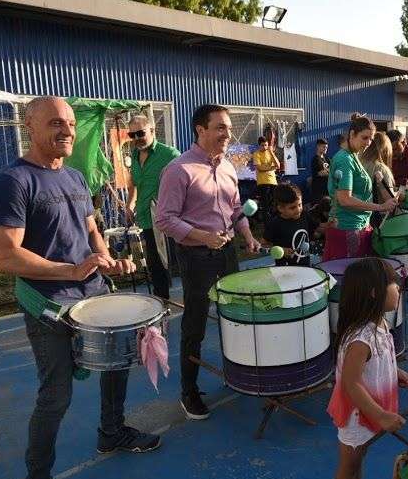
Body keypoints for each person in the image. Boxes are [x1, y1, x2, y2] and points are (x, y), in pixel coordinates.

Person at [0, 96, 160, 479]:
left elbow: (91, 231)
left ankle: (112, 430)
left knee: (117, 364)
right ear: (30, 126)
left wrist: (106, 260)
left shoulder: (77, 176)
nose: (65, 130)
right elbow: (5, 256)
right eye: (54, 123)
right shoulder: (13, 181)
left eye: (68, 123)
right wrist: (69, 270)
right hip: (48, 306)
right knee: (56, 395)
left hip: (93, 294)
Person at [155, 104, 262, 419]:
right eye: (220, 128)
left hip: (227, 252)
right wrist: (203, 236)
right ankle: (189, 392)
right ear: (200, 129)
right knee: (195, 325)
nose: (227, 134)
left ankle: (236, 371)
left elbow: (236, 209)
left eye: (228, 128)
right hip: (196, 257)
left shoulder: (229, 166)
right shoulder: (178, 170)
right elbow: (164, 219)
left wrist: (248, 236)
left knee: (233, 316)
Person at [327, 258, 408, 479]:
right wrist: (381, 414)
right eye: (393, 283)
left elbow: (377, 360)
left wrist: (394, 369)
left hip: (370, 410)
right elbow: (351, 383)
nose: (398, 288)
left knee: (359, 459)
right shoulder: (360, 338)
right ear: (375, 292)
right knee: (348, 465)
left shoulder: (379, 323)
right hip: (358, 412)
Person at [325, 115, 398, 261]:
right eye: (364, 138)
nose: (368, 143)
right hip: (348, 228)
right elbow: (345, 199)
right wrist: (380, 206)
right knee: (350, 278)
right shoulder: (345, 159)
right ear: (352, 134)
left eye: (371, 139)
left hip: (355, 225)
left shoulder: (352, 155)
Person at [125, 115, 181, 300]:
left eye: (140, 133)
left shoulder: (170, 155)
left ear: (152, 131)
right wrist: (130, 204)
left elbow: (185, 184)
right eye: (131, 134)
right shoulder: (134, 155)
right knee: (155, 264)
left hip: (169, 220)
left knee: (178, 264)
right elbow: (134, 182)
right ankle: (162, 303)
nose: (136, 138)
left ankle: (195, 302)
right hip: (147, 219)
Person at [262, 183, 329, 266]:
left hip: (306, 266)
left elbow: (318, 228)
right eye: (292, 207)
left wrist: (330, 225)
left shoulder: (304, 215)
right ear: (280, 208)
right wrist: (281, 250)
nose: (298, 210)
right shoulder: (275, 224)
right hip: (284, 269)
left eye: (300, 205)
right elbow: (263, 245)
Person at [360, 131, 397, 207]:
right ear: (386, 150)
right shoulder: (381, 168)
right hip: (377, 215)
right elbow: (390, 200)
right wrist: (400, 194)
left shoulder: (358, 162)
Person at [253, 135, 280, 219]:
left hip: (273, 182)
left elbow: (278, 165)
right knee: (266, 204)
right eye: (262, 145)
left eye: (266, 145)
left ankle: (275, 219)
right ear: (259, 145)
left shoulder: (270, 153)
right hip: (263, 182)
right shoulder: (256, 154)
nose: (264, 147)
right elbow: (260, 168)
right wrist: (271, 168)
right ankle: (267, 222)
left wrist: (272, 153)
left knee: (275, 202)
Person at [310, 138, 331, 203]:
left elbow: (332, 169)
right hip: (319, 192)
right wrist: (330, 172)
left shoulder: (327, 159)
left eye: (326, 147)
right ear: (318, 146)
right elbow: (321, 173)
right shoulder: (315, 159)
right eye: (324, 147)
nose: (325, 149)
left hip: (327, 190)